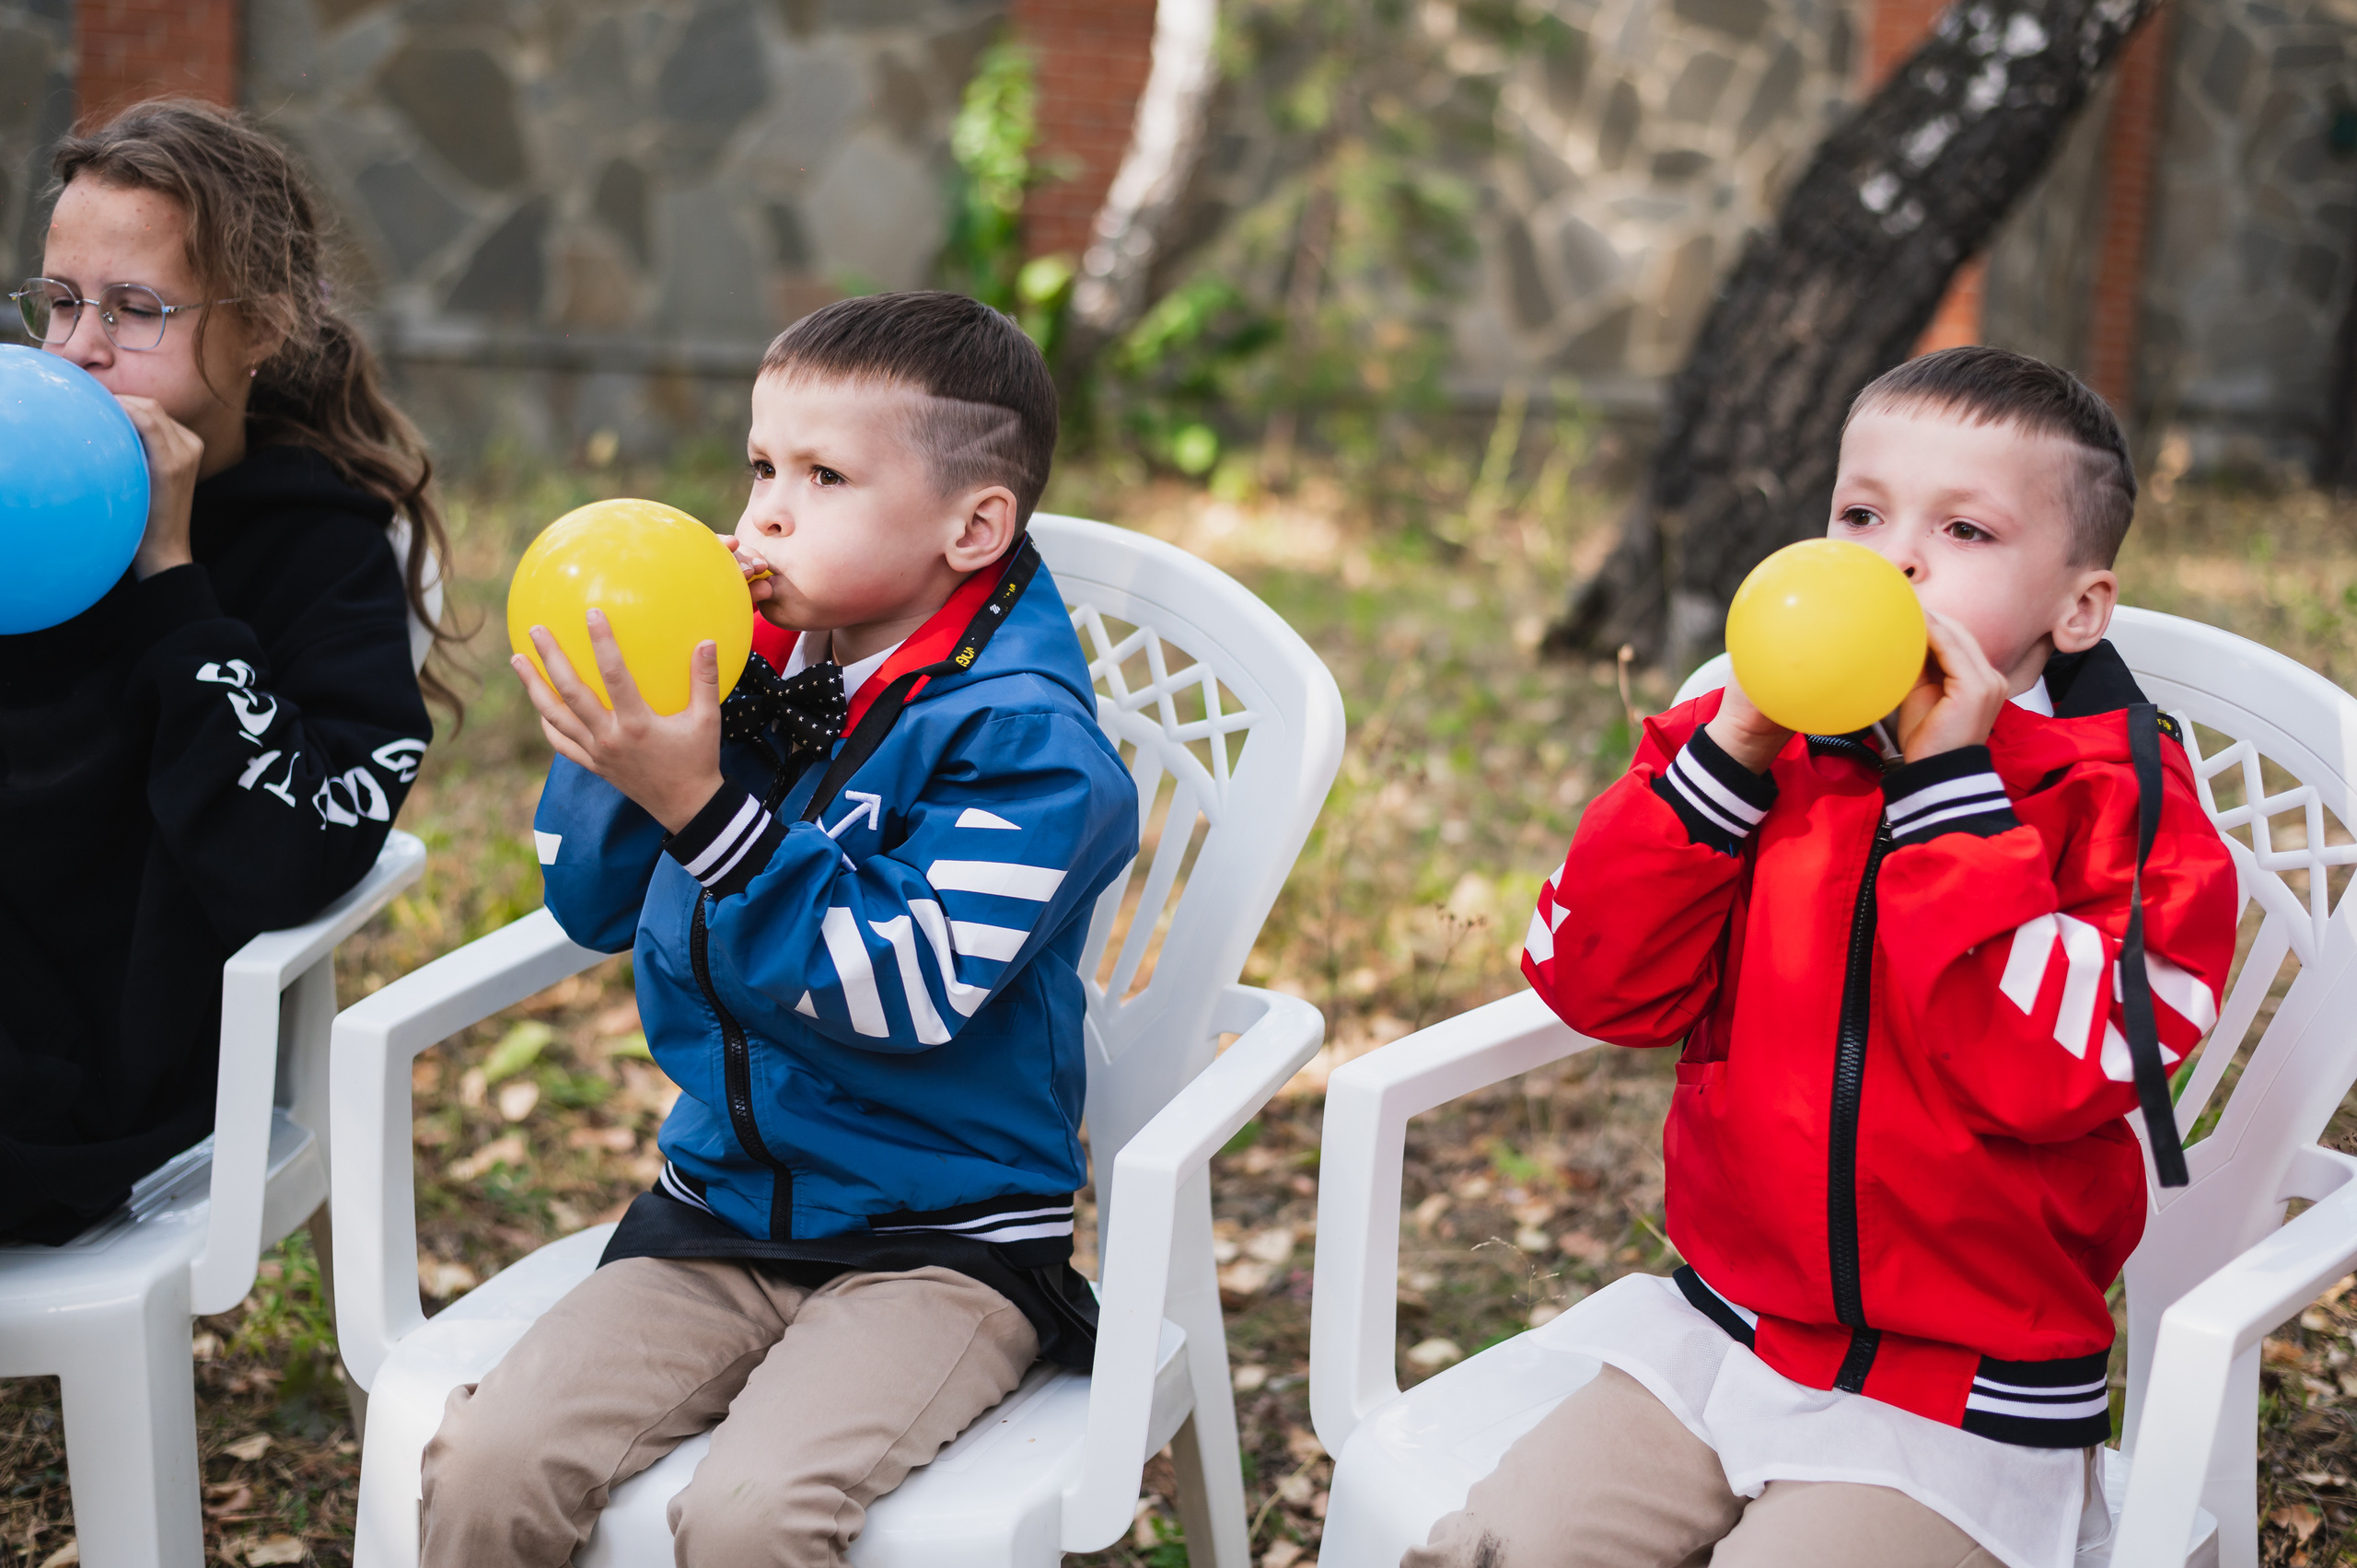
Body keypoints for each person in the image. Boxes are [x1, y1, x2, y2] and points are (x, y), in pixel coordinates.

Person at [1413, 346, 2240, 1568]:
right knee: (1501, 1543)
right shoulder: (1742, 748)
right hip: (1720, 1331)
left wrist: (1954, 798)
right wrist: (1728, 756)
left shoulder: (2128, 811)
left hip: (1961, 1394)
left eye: (1963, 527)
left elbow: (2064, 1070)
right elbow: (1593, 978)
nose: (1894, 557)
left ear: (2078, 608)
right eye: (1861, 512)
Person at [420, 292, 1137, 1567]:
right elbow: (589, 901)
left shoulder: (1027, 742)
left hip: (941, 1246)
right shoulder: (755, 670)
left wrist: (702, 803)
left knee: (750, 1518)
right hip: (720, 1211)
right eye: (760, 466)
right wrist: (632, 737)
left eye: (825, 474)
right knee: (489, 1463)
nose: (766, 513)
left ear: (973, 526)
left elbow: (901, 987)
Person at [0, 99, 447, 1244]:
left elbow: (289, 862)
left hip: (94, 1075)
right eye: (57, 303)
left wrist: (173, 577)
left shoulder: (324, 555)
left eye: (135, 309)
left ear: (261, 328)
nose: (78, 348)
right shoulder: (22, 504)